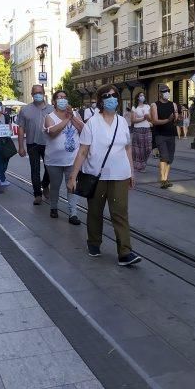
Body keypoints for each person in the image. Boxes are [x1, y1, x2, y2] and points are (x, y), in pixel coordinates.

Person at [68, 85, 141, 266]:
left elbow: (127, 148)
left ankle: (125, 252)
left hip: (120, 174)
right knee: (95, 212)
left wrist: (131, 171)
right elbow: (83, 150)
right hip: (96, 175)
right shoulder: (92, 122)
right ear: (100, 100)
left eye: (114, 95)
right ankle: (94, 242)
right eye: (107, 96)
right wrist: (73, 175)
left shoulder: (122, 121)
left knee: (120, 213)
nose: (111, 98)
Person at [45, 91, 84, 225]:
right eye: (59, 98)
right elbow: (53, 133)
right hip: (54, 160)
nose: (62, 100)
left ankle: (73, 213)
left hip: (72, 159)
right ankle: (54, 207)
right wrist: (66, 119)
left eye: (64, 98)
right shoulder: (49, 117)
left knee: (72, 185)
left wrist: (72, 116)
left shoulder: (75, 115)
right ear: (54, 102)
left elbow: (83, 129)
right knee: (55, 185)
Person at [17, 85, 53, 204]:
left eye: (40, 92)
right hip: (32, 143)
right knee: (35, 169)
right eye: (35, 93)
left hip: (49, 144)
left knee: (50, 168)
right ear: (32, 95)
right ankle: (37, 194)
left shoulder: (52, 109)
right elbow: (21, 128)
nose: (38, 94)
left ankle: (45, 184)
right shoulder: (25, 110)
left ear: (44, 94)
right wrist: (21, 146)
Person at [150, 84, 178, 189]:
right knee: (164, 156)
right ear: (160, 93)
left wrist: (176, 118)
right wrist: (168, 120)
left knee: (170, 158)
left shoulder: (173, 104)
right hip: (160, 134)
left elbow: (176, 119)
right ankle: (162, 179)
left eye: (168, 91)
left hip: (171, 133)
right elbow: (155, 121)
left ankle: (166, 179)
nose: (167, 93)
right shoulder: (154, 105)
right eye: (164, 91)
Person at [129, 91, 152, 173]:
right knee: (139, 150)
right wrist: (143, 118)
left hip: (147, 129)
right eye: (141, 95)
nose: (142, 97)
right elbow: (133, 120)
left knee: (148, 148)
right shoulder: (134, 107)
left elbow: (150, 118)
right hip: (138, 129)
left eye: (143, 95)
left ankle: (143, 163)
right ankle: (141, 166)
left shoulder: (147, 106)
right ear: (138, 97)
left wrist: (148, 117)